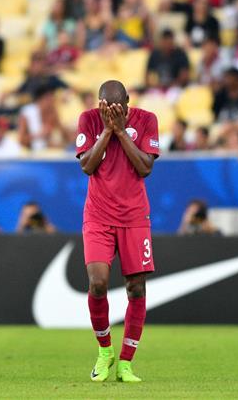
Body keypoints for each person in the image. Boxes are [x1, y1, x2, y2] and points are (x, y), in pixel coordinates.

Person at [76, 80, 160, 383]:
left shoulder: (147, 120)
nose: (113, 112)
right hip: (98, 216)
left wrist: (121, 130)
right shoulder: (88, 120)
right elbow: (87, 165)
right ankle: (105, 351)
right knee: (97, 283)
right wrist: (108, 130)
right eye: (107, 108)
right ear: (99, 104)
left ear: (127, 101)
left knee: (136, 288)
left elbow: (145, 168)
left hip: (135, 217)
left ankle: (126, 363)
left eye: (119, 107)